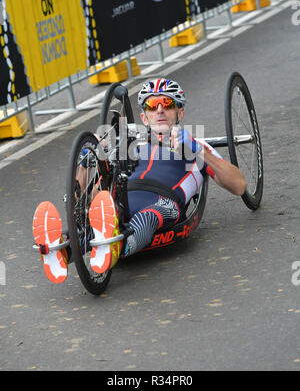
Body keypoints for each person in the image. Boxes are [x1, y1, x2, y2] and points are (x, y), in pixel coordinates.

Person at [32, 78, 247, 284]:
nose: (160, 109)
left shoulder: (195, 146)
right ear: (144, 118)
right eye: (153, 105)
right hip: (123, 199)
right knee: (96, 205)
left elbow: (239, 185)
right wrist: (88, 161)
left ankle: (118, 246)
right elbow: (90, 189)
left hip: (164, 202)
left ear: (179, 112)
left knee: (149, 216)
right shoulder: (127, 145)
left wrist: (197, 149)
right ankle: (59, 248)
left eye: (168, 103)